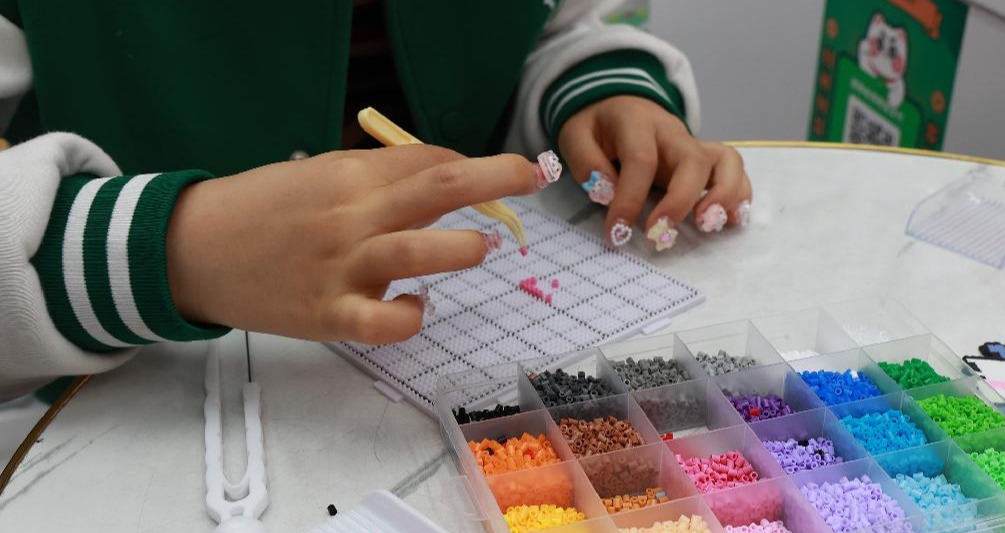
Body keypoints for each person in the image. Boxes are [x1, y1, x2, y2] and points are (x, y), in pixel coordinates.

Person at [0, 0, 752, 401]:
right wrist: (168, 251)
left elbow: (551, 23)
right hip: (132, 412)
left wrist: (597, 89)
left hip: (446, 359)